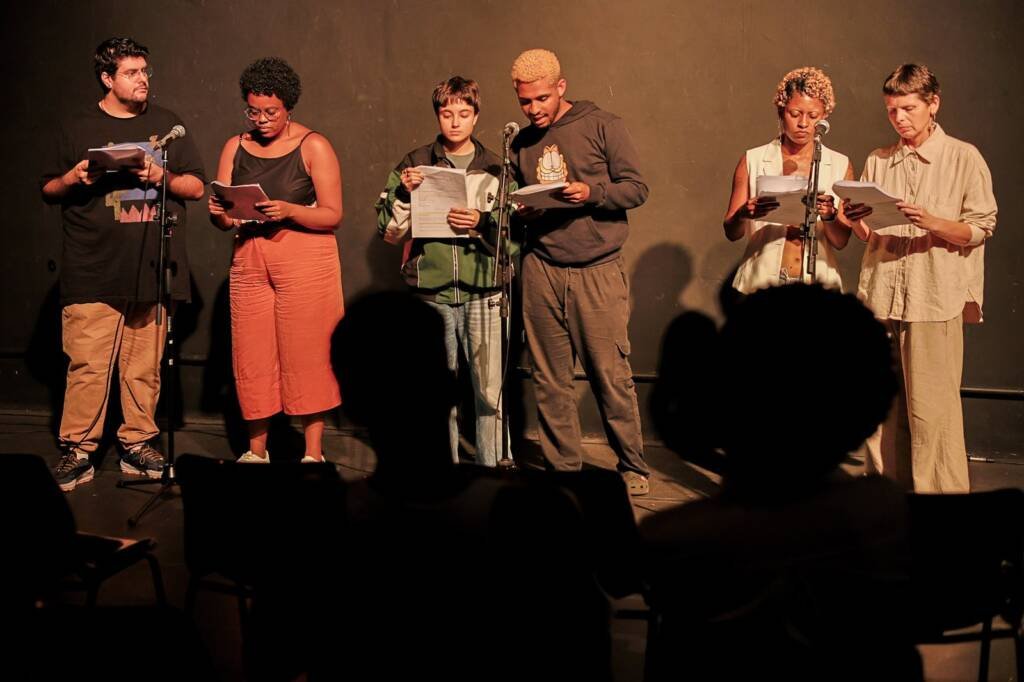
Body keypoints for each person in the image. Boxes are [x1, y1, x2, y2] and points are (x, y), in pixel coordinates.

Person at [642, 284, 920, 681]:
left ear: (725, 396)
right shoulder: (887, 513)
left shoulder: (679, 541)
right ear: (872, 400)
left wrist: (685, 427)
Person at [41, 37, 206, 492]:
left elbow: (195, 188)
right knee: (89, 364)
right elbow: (48, 189)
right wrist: (73, 178)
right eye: (132, 73)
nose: (143, 80)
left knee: (143, 366)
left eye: (145, 71)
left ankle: (137, 442)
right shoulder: (77, 125)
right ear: (107, 78)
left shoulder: (167, 123)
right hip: (93, 266)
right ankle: (79, 449)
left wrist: (160, 175)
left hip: (152, 268)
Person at [843, 64, 997, 493]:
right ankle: (884, 500)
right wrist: (855, 218)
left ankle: (940, 508)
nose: (900, 119)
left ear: (934, 104)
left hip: (934, 295)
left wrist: (932, 222)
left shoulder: (963, 157)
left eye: (908, 108)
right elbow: (872, 232)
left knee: (932, 412)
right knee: (881, 407)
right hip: (881, 293)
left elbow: (980, 228)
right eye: (892, 111)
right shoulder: (879, 159)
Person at [509, 48, 651, 494]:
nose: (534, 110)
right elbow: (518, 201)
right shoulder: (520, 142)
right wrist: (525, 212)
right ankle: (563, 471)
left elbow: (636, 188)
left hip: (597, 269)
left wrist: (591, 192)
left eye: (542, 99)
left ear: (562, 87)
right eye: (525, 102)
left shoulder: (603, 124)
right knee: (550, 380)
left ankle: (633, 466)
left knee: (610, 376)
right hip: (541, 268)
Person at [375, 76, 517, 467]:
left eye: (464, 113)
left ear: (476, 116)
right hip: (431, 295)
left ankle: (492, 475)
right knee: (437, 393)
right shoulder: (415, 163)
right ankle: (442, 476)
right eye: (447, 113)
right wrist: (405, 193)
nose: (455, 122)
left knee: (490, 394)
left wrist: (482, 220)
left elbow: (516, 236)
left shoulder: (496, 166)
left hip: (484, 291)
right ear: (438, 115)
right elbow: (389, 232)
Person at [208, 57, 344, 463]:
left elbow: (333, 213)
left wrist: (289, 210)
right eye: (254, 111)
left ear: (289, 108)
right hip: (250, 259)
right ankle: (256, 450)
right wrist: (222, 213)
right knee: (252, 353)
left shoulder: (313, 145)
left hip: (305, 259)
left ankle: (312, 453)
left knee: (308, 352)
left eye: (271, 112)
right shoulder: (236, 145)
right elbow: (221, 216)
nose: (262, 120)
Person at [723, 66, 854, 292]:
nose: (803, 123)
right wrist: (745, 213)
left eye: (813, 116)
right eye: (795, 114)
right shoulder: (753, 159)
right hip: (761, 283)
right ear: (781, 112)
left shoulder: (839, 164)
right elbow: (731, 232)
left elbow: (841, 241)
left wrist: (830, 216)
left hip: (818, 284)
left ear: (824, 117)